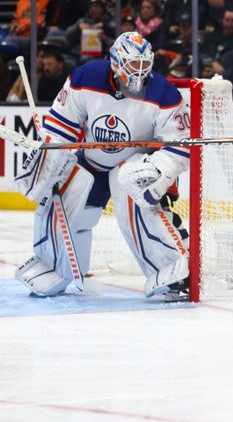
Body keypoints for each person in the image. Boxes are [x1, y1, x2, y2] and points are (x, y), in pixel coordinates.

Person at [13, 31, 190, 300]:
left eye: (144, 67)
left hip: (133, 163)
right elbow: (62, 127)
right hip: (92, 161)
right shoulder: (86, 77)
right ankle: (52, 266)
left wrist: (157, 168)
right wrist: (50, 158)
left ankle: (169, 269)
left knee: (135, 191)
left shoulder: (164, 94)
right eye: (132, 66)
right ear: (116, 63)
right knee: (61, 198)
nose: (139, 74)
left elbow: (181, 144)